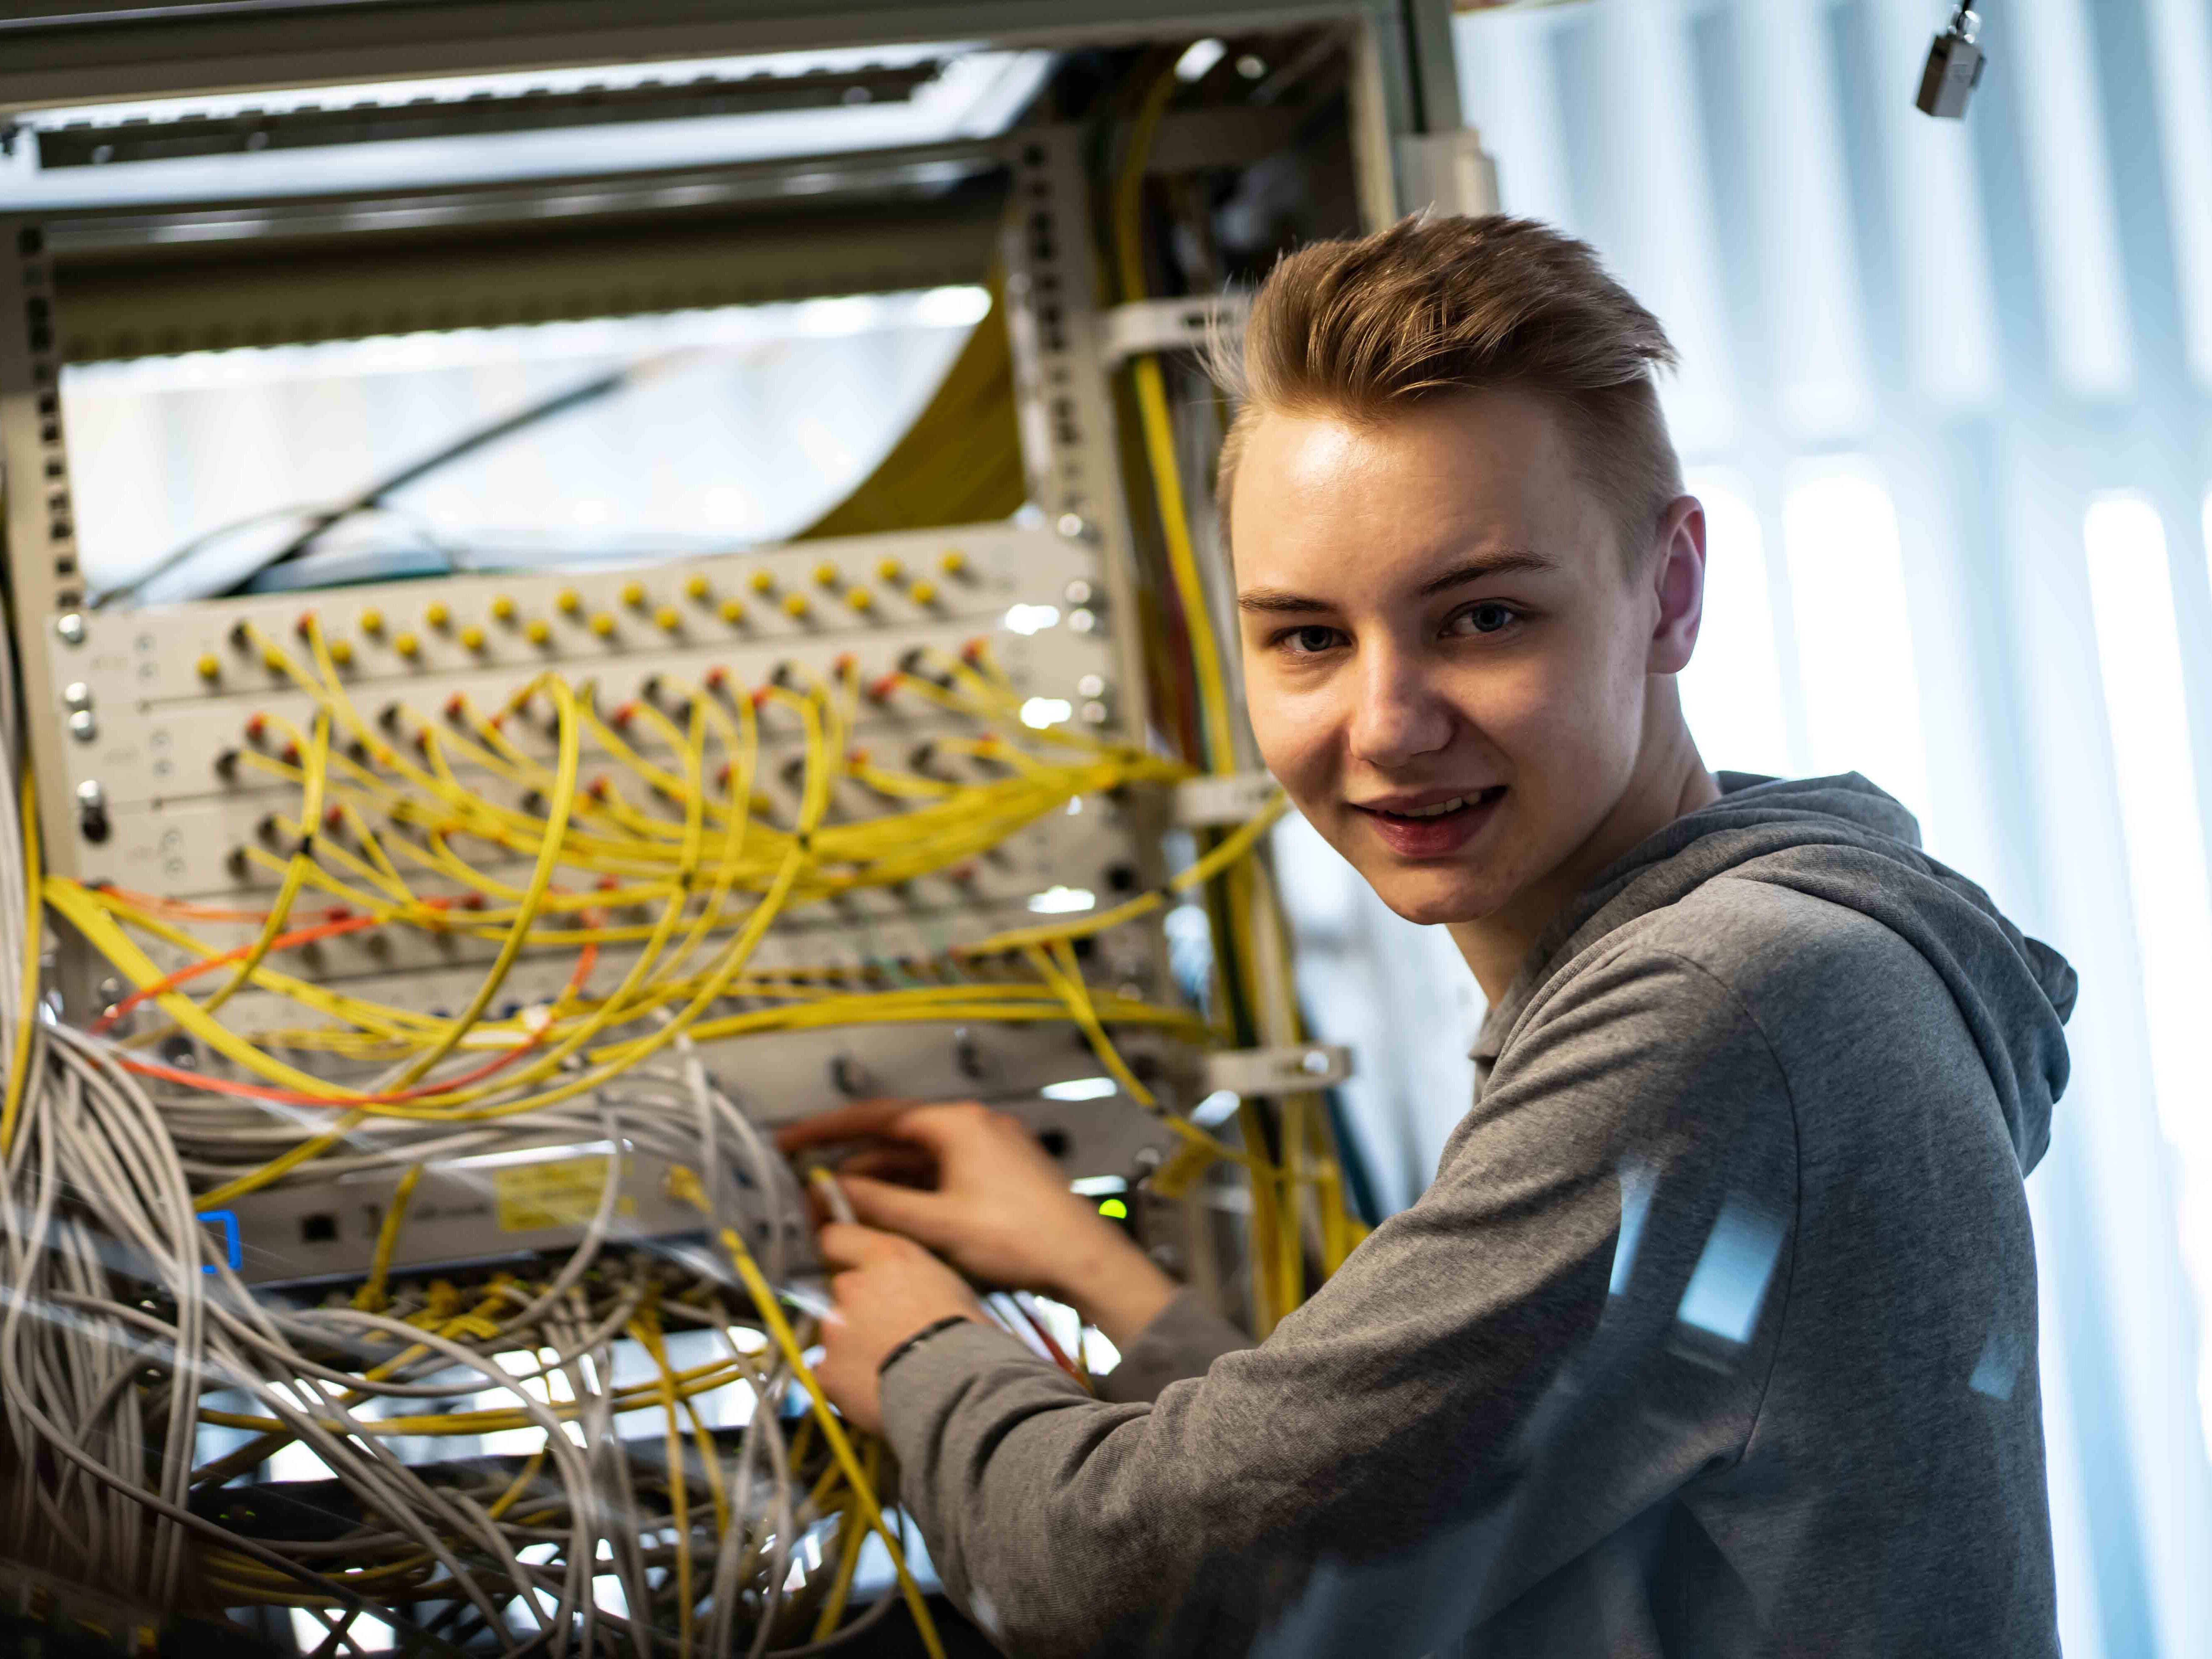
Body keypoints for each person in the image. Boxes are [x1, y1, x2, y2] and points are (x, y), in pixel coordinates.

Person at [778, 214, 2075, 1656]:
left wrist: (919, 1360)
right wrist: (1093, 1272)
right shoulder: (1759, 956)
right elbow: (1443, 1500)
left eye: (1484, 618)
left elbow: (1128, 1587)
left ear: (1673, 590)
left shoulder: (1724, 1007)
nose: (1388, 727)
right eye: (1309, 639)